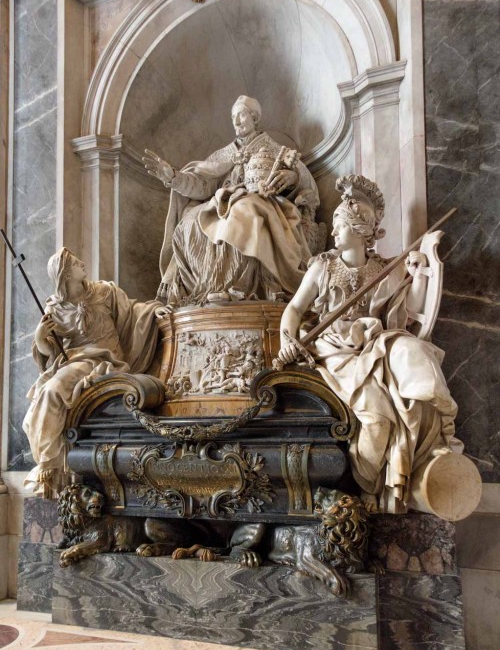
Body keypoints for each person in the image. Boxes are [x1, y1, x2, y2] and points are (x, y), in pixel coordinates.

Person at [275, 175, 463, 513]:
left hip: (374, 344)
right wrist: (287, 340)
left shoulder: (383, 269)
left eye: (340, 225)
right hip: (333, 350)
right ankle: (365, 488)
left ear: (361, 231)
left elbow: (407, 315)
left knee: (413, 351)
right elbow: (294, 310)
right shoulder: (322, 266)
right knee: (377, 417)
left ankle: (443, 423)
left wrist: (418, 273)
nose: (333, 232)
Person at [143, 95, 321, 304]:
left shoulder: (275, 150)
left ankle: (239, 285)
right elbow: (202, 186)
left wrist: (292, 178)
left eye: (241, 115)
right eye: (233, 117)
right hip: (221, 204)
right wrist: (173, 176)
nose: (236, 122)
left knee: (244, 210)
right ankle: (208, 286)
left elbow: (308, 188)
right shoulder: (222, 155)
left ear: (255, 119)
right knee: (190, 219)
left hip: (259, 202)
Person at [23, 248, 164, 497]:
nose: (83, 264)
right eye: (77, 263)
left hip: (105, 359)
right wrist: (40, 337)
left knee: (53, 391)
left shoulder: (104, 291)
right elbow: (49, 350)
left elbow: (131, 312)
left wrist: (153, 312)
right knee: (50, 392)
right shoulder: (56, 309)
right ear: (65, 275)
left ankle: (48, 464)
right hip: (76, 361)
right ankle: (49, 466)